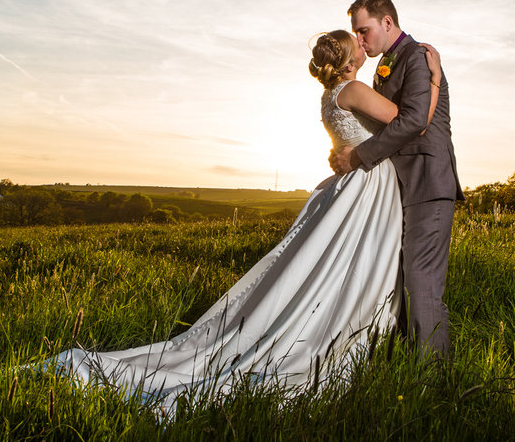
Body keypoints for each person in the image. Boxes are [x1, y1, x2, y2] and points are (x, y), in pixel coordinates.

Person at [38, 29, 443, 405]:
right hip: (367, 186)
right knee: (356, 267)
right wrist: (435, 75)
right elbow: (413, 119)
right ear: (351, 58)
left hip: (357, 184)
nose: (361, 40)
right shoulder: (354, 88)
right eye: (355, 39)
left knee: (340, 269)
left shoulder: (331, 95)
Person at [332, 0, 462, 358]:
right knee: (396, 276)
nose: (359, 40)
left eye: (364, 30)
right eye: (356, 34)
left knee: (421, 282)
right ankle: (400, 360)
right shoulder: (386, 63)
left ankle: (434, 377)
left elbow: (414, 121)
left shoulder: (418, 57)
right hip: (398, 186)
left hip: (426, 181)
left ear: (387, 22)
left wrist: (358, 155)